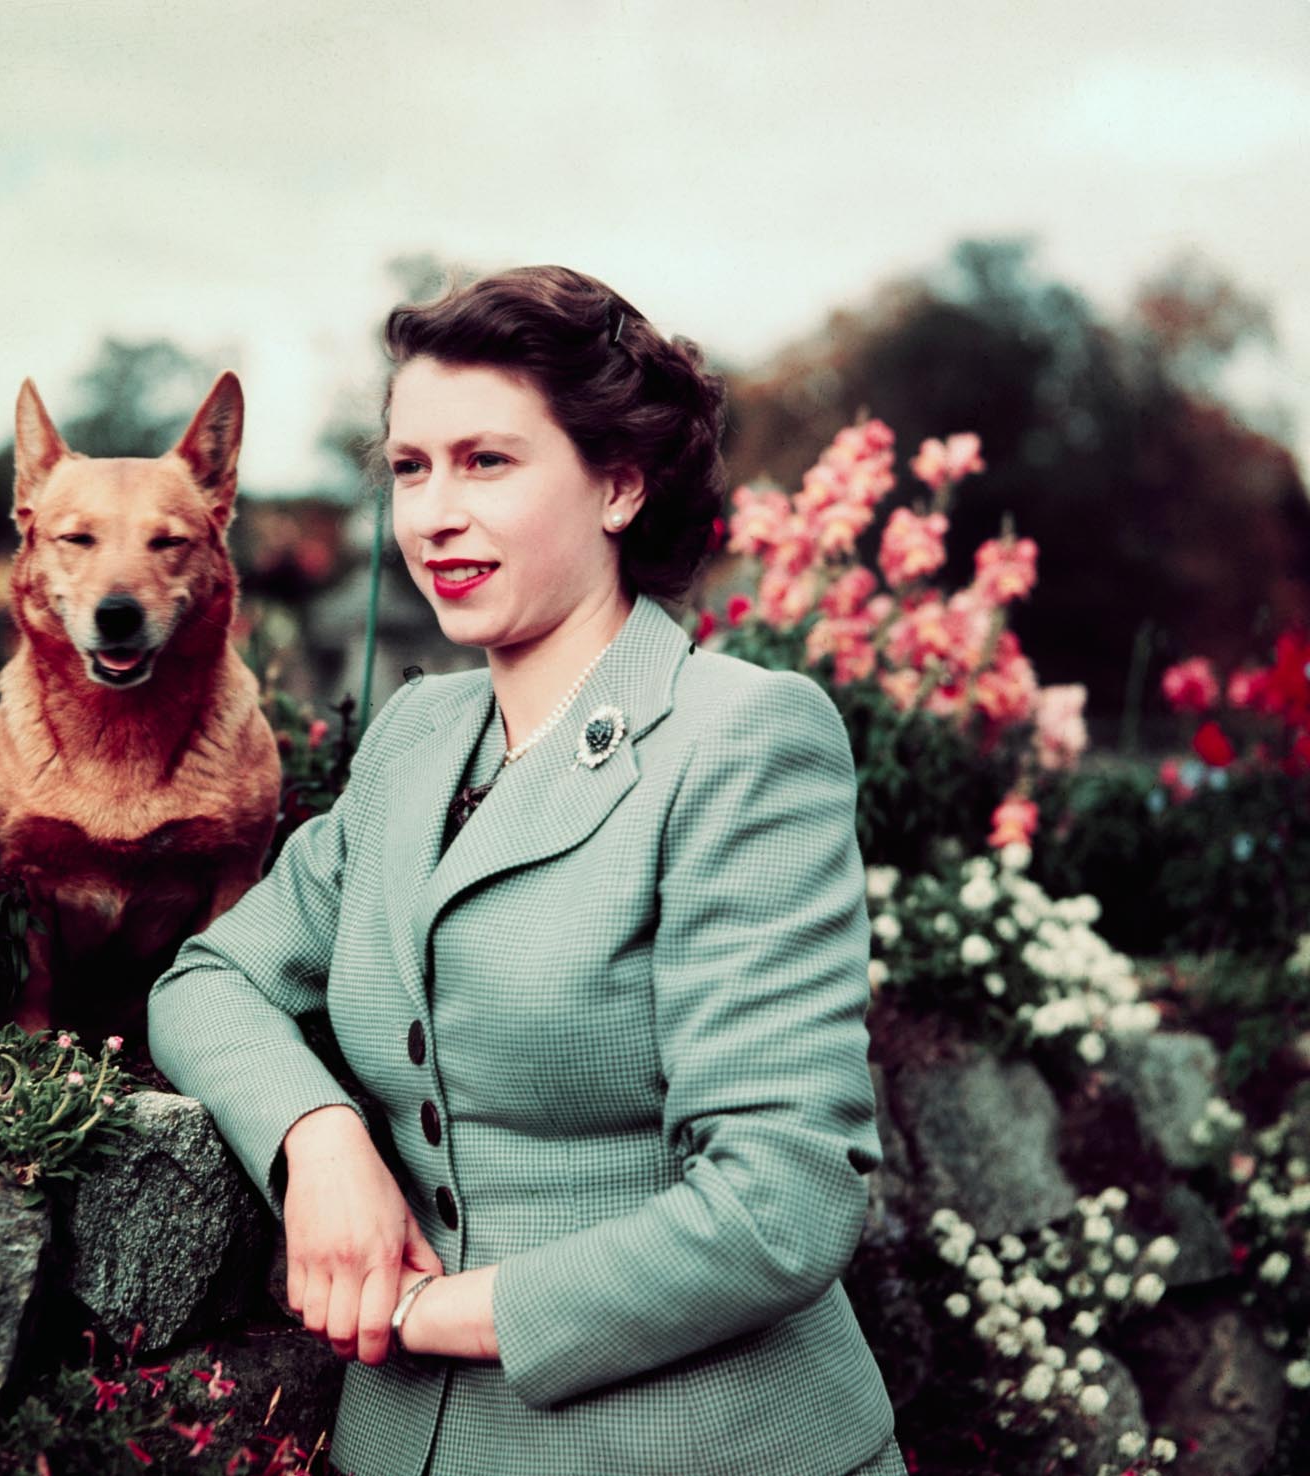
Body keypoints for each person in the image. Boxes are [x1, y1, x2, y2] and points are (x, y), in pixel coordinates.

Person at [145, 264, 903, 1476]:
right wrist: (320, 1136)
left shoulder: (742, 737)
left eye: (486, 462)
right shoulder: (413, 740)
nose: (432, 513)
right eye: (408, 467)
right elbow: (206, 981)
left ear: (616, 483)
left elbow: (781, 1202)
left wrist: (425, 1312)